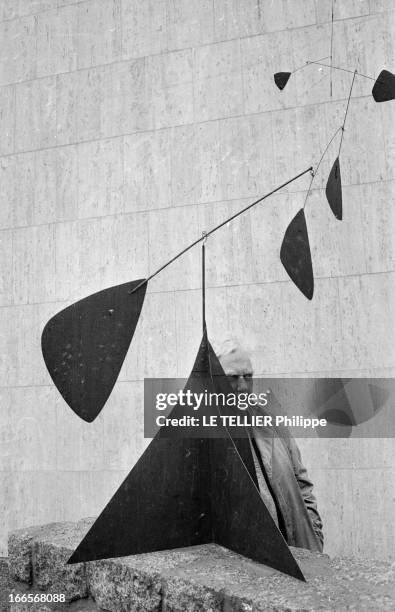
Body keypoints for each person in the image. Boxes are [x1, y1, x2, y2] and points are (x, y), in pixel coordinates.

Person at [215, 338, 324, 553]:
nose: (243, 387)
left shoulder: (272, 423)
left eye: (248, 376)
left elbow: (303, 486)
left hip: (295, 556)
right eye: (233, 378)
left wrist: (315, 536)